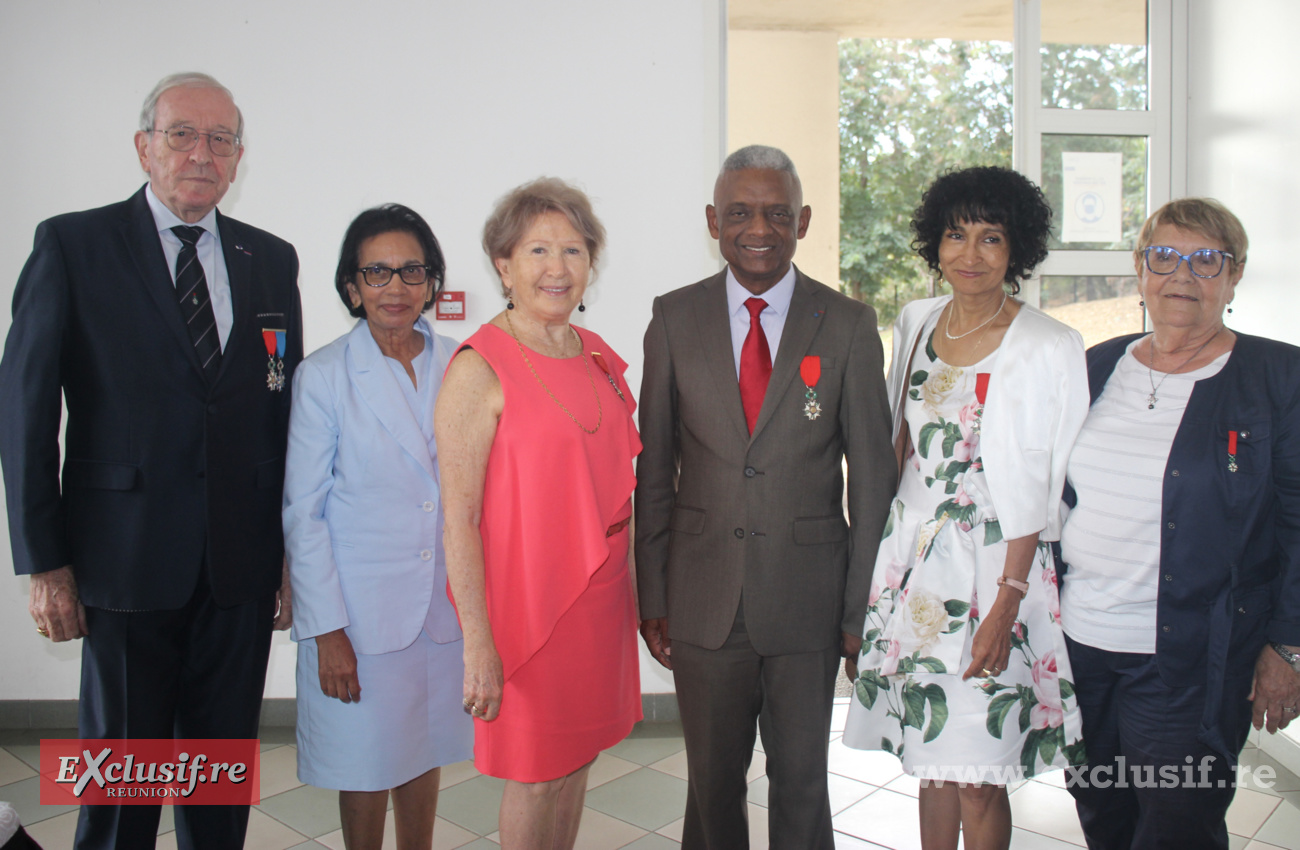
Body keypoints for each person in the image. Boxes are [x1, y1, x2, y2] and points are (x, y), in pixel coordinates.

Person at [0, 73, 301, 849]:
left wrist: (288, 558)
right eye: (182, 135)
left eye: (221, 140)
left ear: (239, 158)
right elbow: (27, 413)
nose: (202, 154)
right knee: (123, 778)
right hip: (123, 564)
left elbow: (281, 414)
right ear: (144, 146)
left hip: (238, 566)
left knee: (217, 775)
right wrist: (46, 562)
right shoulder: (72, 244)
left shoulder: (271, 260)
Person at [635, 145, 895, 849]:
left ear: (802, 220)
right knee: (712, 785)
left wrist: (859, 605)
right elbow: (655, 470)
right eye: (742, 212)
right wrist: (652, 595)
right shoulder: (674, 318)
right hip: (702, 596)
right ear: (714, 220)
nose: (760, 227)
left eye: (778, 213)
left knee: (804, 781)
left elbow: (873, 480)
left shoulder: (846, 324)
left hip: (808, 598)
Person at [842, 166, 1089, 850]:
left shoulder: (1048, 344)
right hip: (912, 564)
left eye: (991, 238)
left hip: (993, 569)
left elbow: (1048, 480)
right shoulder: (918, 320)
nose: (969, 255)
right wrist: (870, 587)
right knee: (931, 759)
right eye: (956, 235)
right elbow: (899, 448)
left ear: (1018, 250)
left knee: (979, 770)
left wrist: (1008, 600)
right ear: (935, 242)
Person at [1058, 197, 1300, 849]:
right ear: (1140, 270)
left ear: (1235, 275)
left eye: (1205, 260)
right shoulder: (1096, 367)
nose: (1182, 276)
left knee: (1176, 824)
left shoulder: (1277, 377)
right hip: (1082, 643)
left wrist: (1289, 644)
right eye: (1163, 257)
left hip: (1192, 655)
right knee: (1101, 810)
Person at [436, 178, 640, 849]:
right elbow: (459, 521)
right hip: (526, 608)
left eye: (574, 251)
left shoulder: (598, 357)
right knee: (535, 775)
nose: (557, 269)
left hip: (598, 600)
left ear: (590, 265)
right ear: (504, 264)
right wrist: (477, 644)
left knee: (577, 765)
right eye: (538, 251)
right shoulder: (478, 368)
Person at [283, 205, 473, 849]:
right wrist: (326, 632)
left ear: (432, 281)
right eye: (377, 272)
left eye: (411, 270)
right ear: (351, 287)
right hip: (361, 619)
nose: (395, 287)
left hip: (443, 610)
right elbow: (302, 514)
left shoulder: (465, 364)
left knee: (422, 750)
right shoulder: (324, 376)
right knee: (365, 765)